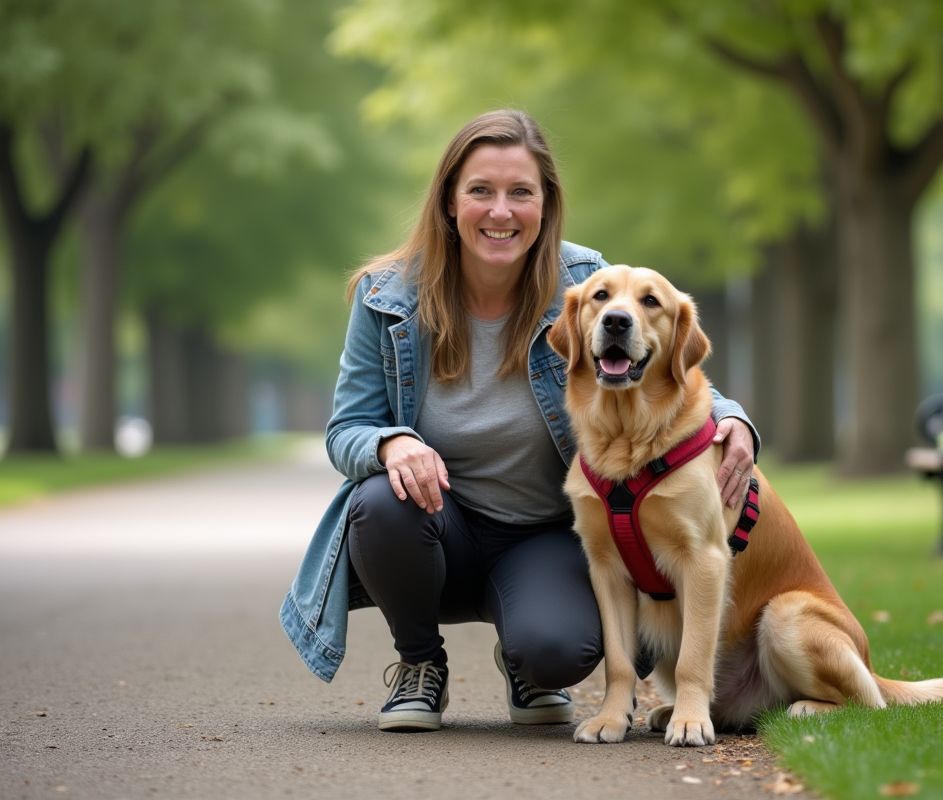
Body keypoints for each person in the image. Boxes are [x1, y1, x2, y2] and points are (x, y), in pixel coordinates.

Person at [280, 109, 759, 733]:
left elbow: (664, 362)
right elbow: (347, 431)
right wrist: (392, 442)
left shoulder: (588, 283)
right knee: (377, 500)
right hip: (435, 529)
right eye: (480, 191)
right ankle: (421, 664)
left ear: (545, 205)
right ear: (450, 202)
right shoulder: (387, 294)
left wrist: (734, 420)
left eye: (520, 193)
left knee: (557, 651)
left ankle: (526, 658)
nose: (500, 211)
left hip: (545, 536)